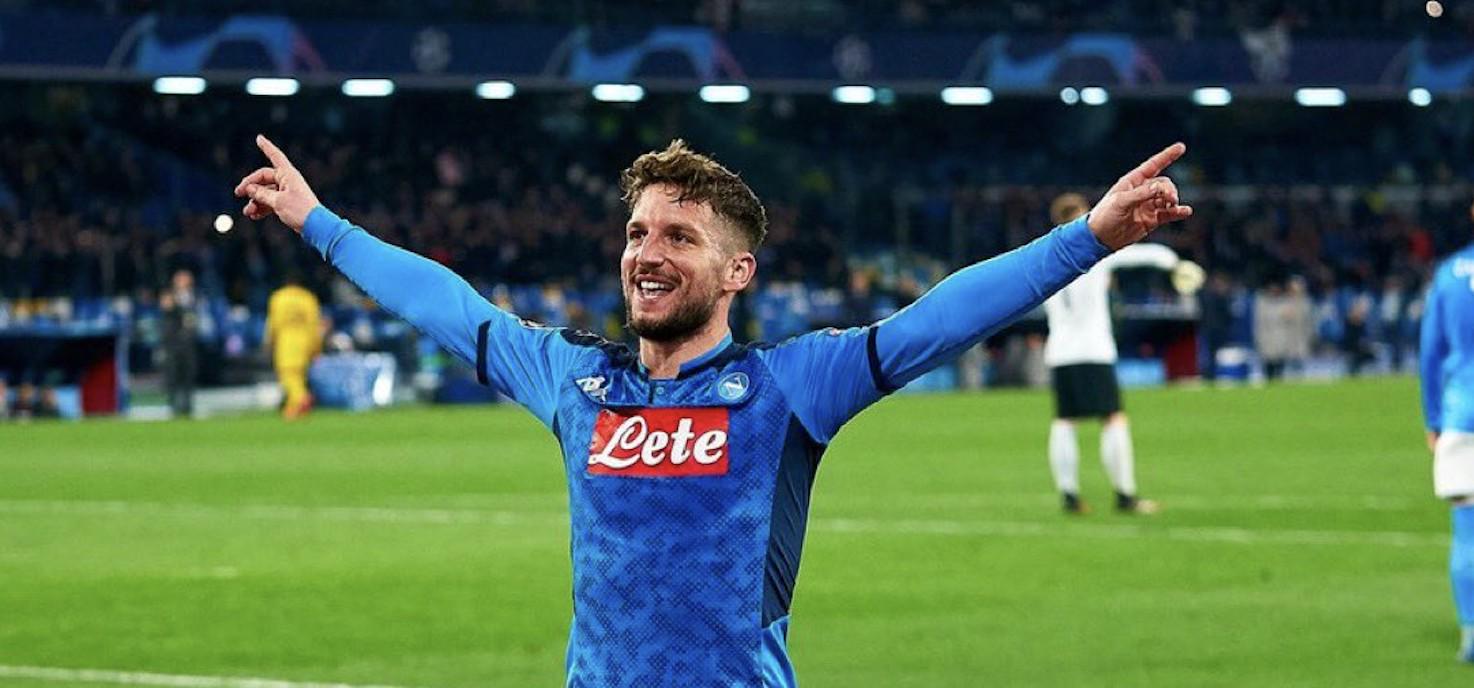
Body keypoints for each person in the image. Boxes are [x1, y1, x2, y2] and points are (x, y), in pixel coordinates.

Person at [236, 134, 1192, 687]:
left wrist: (1087, 238)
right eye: (637, 231)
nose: (647, 253)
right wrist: (319, 222)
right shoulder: (573, 379)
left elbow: (936, 321)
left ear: (737, 272)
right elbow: (449, 306)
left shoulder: (792, 386)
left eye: (679, 237)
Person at [1041, 192, 1180, 515]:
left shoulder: (1046, 257)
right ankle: (1125, 494)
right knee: (1114, 419)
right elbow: (1146, 255)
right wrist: (1173, 262)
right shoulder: (1095, 253)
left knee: (1065, 421)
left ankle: (1069, 495)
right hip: (1094, 349)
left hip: (1061, 351)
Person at [1419, 201, 1474, 664]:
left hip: (1463, 414)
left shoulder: (1449, 274)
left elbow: (1431, 352)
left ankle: (1472, 633)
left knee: (1467, 531)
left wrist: (1433, 419)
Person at [265, 273, 323, 420]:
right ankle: (293, 408)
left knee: (288, 374)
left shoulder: (278, 297)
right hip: (304, 341)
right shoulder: (308, 298)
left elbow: (273, 324)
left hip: (286, 340)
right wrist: (316, 347)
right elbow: (314, 325)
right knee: (299, 375)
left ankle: (301, 397)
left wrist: (269, 342)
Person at [160, 269, 200, 418]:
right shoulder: (169, 295)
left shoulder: (194, 296)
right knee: (173, 374)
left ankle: (188, 406)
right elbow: (167, 307)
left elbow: (194, 317)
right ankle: (173, 406)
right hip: (173, 341)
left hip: (188, 342)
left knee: (188, 373)